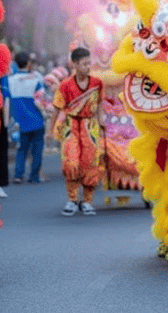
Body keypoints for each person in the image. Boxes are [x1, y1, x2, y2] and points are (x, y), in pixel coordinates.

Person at [53, 47, 104, 216]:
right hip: (71, 126)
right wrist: (51, 129)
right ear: (74, 64)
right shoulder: (65, 85)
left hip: (91, 127)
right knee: (71, 162)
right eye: (84, 64)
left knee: (91, 163)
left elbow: (101, 105)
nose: (88, 66)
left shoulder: (97, 83)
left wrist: (102, 122)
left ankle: (87, 201)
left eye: (89, 63)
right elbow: (57, 108)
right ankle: (72, 199)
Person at [3, 51, 47, 186]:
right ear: (28, 64)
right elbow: (40, 101)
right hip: (37, 121)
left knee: (21, 150)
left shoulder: (9, 81)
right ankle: (34, 176)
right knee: (37, 151)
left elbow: (6, 102)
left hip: (18, 122)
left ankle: (18, 175)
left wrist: (6, 122)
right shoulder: (36, 79)